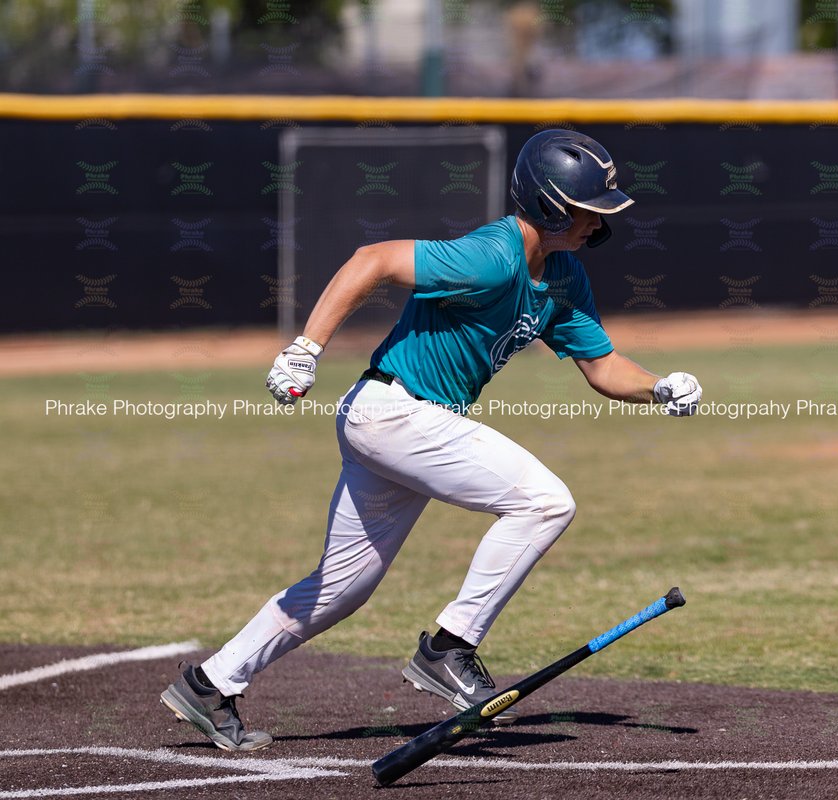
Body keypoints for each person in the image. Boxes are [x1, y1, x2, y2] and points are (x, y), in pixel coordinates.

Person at [159, 130, 703, 751]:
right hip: (395, 412)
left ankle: (210, 682)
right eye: (589, 207)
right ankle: (449, 647)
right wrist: (305, 350)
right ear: (551, 205)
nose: (599, 220)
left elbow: (604, 368)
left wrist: (659, 388)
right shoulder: (491, 257)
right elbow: (373, 259)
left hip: (400, 423)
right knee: (544, 502)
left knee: (341, 589)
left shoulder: (564, 277)